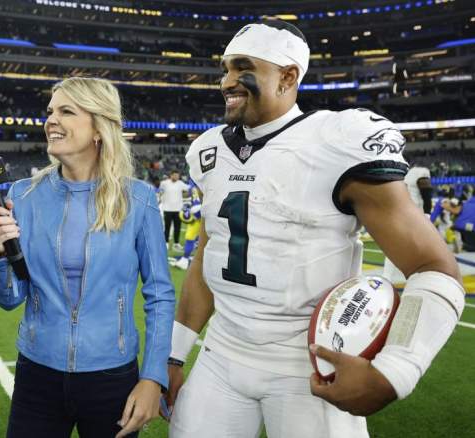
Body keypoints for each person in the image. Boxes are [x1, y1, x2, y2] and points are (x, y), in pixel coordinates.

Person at [165, 20, 465, 438]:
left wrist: (396, 370)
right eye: (225, 69)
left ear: (288, 76)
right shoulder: (209, 149)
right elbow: (209, 254)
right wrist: (175, 355)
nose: (227, 81)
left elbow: (434, 267)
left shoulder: (336, 140)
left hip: (309, 364)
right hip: (221, 353)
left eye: (242, 67)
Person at [0, 77, 175, 438]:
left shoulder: (140, 200)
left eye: (66, 111)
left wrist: (152, 377)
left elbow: (160, 295)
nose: (50, 120)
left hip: (113, 378)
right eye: (50, 111)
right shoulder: (23, 195)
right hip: (37, 374)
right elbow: (8, 298)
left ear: (99, 128)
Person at [382, 164, 433, 283]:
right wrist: (427, 215)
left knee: (394, 246)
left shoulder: (405, 174)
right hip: (415, 215)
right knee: (419, 247)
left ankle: (387, 276)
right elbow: (427, 194)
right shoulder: (421, 172)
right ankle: (417, 277)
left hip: (402, 212)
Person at [159, 170, 189, 252]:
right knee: (167, 227)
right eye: (175, 175)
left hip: (178, 209)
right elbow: (160, 192)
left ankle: (176, 243)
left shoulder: (180, 183)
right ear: (171, 175)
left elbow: (188, 189)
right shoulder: (164, 183)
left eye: (177, 176)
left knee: (177, 227)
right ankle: (166, 243)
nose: (176, 177)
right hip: (167, 209)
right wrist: (160, 199)